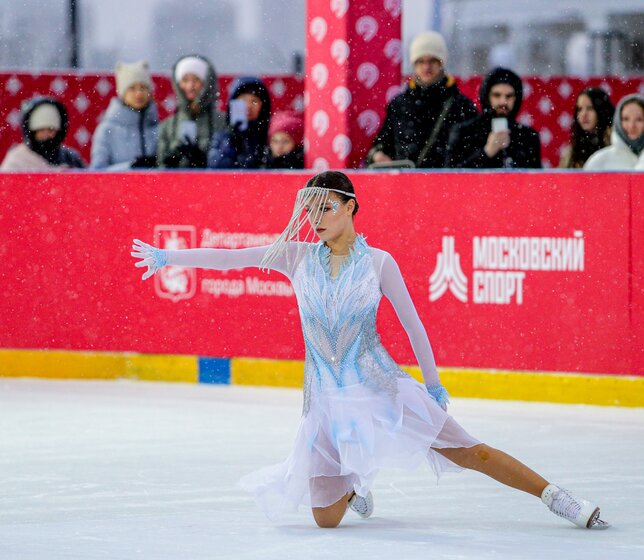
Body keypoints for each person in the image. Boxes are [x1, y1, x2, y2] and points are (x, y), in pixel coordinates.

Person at [130, 171, 609, 531]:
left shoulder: (379, 263)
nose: (317, 219)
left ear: (351, 207)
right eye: (312, 211)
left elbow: (412, 323)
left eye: (327, 208)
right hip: (325, 404)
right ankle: (355, 482)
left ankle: (556, 497)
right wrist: (171, 256)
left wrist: (434, 382)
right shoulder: (296, 258)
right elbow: (232, 258)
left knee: (471, 452)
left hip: (382, 388)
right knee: (325, 520)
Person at [366, 31, 476, 168]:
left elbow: (474, 154)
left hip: (450, 186)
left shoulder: (462, 106)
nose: (426, 67)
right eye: (420, 61)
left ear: (442, 62)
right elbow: (381, 145)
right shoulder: (399, 105)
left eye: (432, 61)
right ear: (413, 64)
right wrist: (377, 155)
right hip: (405, 186)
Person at [445, 67, 541, 168]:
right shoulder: (465, 132)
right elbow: (451, 177)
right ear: (487, 97)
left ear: (516, 99)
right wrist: (486, 152)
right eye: (497, 95)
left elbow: (536, 179)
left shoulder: (528, 137)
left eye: (509, 96)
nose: (503, 102)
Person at [157, 54, 227, 168]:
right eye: (185, 80)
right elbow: (160, 164)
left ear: (206, 84)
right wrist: (170, 161)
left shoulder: (223, 121)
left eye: (196, 80)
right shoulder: (167, 125)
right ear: (178, 84)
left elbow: (228, 164)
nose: (190, 86)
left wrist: (204, 161)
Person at [89, 61, 159, 169]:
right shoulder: (107, 130)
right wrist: (131, 167)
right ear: (122, 93)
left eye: (143, 88)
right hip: (117, 186)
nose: (138, 93)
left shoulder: (160, 129)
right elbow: (97, 172)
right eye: (132, 88)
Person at [1, 96, 85, 171]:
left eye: (51, 130)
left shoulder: (69, 158)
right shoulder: (17, 160)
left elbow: (86, 184)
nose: (46, 134)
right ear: (31, 131)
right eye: (41, 130)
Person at [208, 77, 272, 169]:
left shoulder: (270, 136)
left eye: (254, 101)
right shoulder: (222, 137)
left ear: (263, 106)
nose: (248, 106)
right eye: (243, 100)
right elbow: (215, 168)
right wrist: (231, 142)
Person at [583, 94, 644, 170]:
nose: (631, 126)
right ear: (618, 122)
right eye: (626, 119)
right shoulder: (599, 161)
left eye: (639, 119)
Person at [557, 88, 614, 169]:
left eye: (590, 108)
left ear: (602, 111)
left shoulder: (616, 144)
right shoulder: (571, 153)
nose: (583, 114)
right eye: (580, 109)